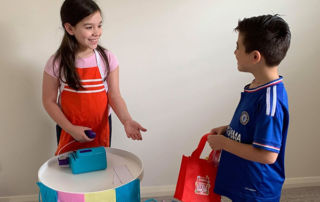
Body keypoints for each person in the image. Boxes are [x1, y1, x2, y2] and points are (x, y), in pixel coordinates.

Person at [42, 0, 147, 155]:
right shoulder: (57, 62)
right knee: (71, 170)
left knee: (99, 170)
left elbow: (114, 94)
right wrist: (71, 129)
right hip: (69, 129)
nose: (97, 32)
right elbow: (48, 101)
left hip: (100, 127)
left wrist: (127, 120)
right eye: (89, 27)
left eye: (99, 25)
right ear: (70, 28)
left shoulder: (108, 58)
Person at [207, 14, 291, 201]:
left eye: (238, 47)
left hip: (257, 191)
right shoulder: (256, 87)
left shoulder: (270, 100)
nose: (235, 52)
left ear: (255, 56)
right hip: (245, 183)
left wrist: (224, 144)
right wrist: (228, 131)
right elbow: (254, 129)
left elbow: (268, 155)